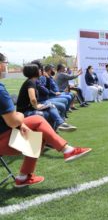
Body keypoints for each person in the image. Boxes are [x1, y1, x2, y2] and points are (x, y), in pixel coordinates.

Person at [0, 53, 92, 187]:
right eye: (5, 63)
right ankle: (67, 149)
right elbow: (13, 121)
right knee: (38, 119)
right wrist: (20, 117)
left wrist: (20, 124)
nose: (6, 66)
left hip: (5, 135)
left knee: (39, 134)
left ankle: (23, 176)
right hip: (4, 140)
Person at [16, 64, 77, 132]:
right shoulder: (31, 82)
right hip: (25, 112)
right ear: (34, 72)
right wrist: (37, 106)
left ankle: (60, 124)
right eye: (38, 69)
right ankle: (52, 131)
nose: (40, 71)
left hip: (30, 108)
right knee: (46, 114)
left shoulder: (32, 81)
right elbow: (33, 99)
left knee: (51, 106)